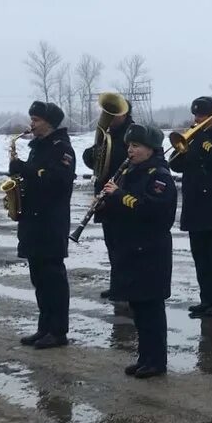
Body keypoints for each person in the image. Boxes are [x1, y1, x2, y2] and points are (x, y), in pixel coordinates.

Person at [98, 124, 178, 379]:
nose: (130, 150)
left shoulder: (159, 176)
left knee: (150, 307)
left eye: (136, 146)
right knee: (138, 307)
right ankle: (145, 356)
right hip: (132, 247)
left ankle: (156, 361)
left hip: (151, 250)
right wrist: (104, 205)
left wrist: (119, 195)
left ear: (150, 149)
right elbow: (122, 207)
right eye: (129, 145)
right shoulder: (131, 171)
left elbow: (151, 210)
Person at [12, 101, 77, 349]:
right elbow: (33, 175)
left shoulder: (62, 148)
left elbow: (56, 181)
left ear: (49, 123)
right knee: (38, 277)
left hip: (51, 220)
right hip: (33, 218)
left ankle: (58, 330)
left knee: (53, 278)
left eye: (36, 120)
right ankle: (44, 327)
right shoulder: (38, 146)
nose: (32, 124)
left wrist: (26, 170)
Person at [168, 96, 212, 317]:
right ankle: (206, 299)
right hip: (195, 204)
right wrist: (185, 147)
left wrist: (203, 140)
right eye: (196, 115)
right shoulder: (194, 137)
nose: (197, 119)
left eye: (202, 115)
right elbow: (175, 164)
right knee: (200, 257)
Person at [82, 98, 134, 300]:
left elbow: (125, 157)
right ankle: (117, 284)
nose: (110, 117)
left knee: (124, 245)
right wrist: (95, 153)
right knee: (111, 243)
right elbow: (93, 161)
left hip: (121, 193)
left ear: (125, 113)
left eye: (115, 113)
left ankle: (126, 287)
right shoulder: (106, 133)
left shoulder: (132, 132)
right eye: (108, 113)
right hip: (105, 192)